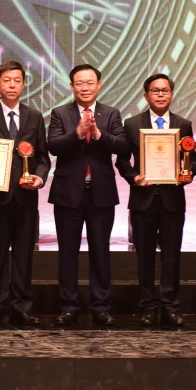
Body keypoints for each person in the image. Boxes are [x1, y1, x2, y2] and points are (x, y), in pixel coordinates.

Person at [0, 61, 51, 326]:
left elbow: (42, 157)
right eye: (7, 80)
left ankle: (21, 307)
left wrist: (39, 177)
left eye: (17, 80)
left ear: (23, 84)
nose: (12, 85)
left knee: (24, 255)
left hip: (26, 198)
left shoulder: (34, 116)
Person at [46, 64, 129, 326]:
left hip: (101, 193)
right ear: (72, 87)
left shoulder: (111, 113)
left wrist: (99, 134)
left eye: (90, 83)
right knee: (67, 253)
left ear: (99, 85)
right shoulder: (60, 113)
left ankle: (100, 307)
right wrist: (78, 134)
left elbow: (122, 145)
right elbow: (53, 146)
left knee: (101, 253)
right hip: (68, 194)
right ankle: (69, 307)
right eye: (79, 83)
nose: (85, 87)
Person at [116, 73, 196, 327]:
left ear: (172, 94)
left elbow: (192, 158)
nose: (160, 94)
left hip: (173, 200)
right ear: (146, 95)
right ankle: (148, 307)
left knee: (172, 256)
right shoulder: (131, 124)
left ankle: (170, 307)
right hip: (143, 200)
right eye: (155, 90)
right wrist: (134, 177)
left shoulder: (184, 124)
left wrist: (188, 173)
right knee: (145, 257)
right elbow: (122, 161)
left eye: (165, 90)